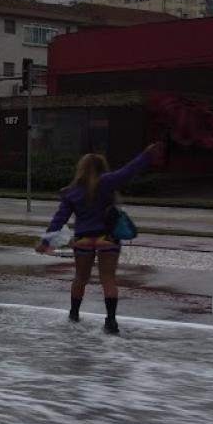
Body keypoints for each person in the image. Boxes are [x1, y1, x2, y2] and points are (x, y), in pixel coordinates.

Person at [37, 143, 161, 334]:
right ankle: (111, 321)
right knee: (108, 279)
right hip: (108, 239)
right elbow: (129, 171)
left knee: (80, 278)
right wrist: (146, 155)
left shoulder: (72, 191)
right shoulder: (108, 182)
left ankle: (74, 315)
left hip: (83, 240)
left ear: (81, 168)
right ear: (102, 167)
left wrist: (45, 242)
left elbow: (59, 219)